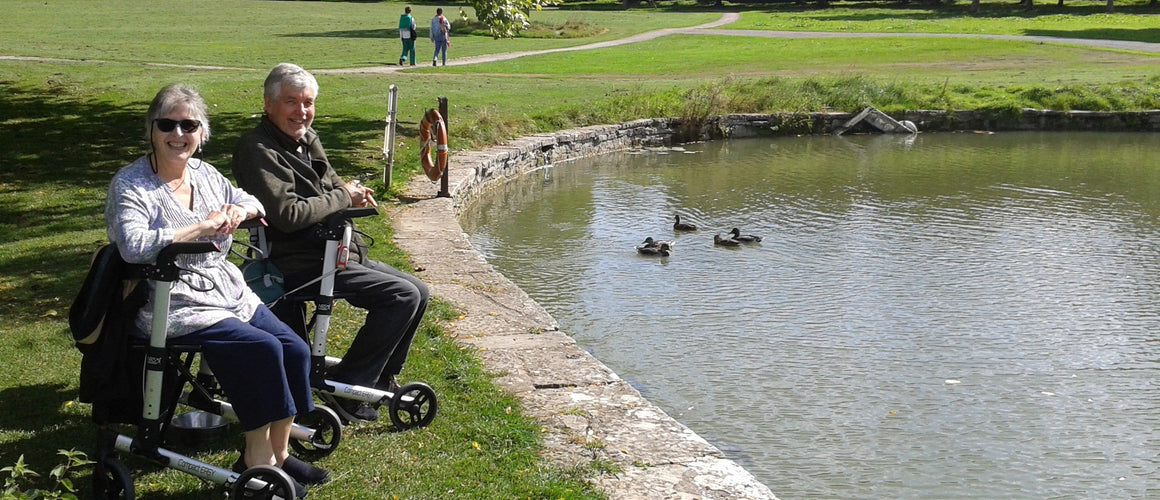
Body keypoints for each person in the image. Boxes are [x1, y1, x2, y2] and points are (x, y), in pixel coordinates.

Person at [105, 83, 328, 497]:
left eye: (189, 125)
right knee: (262, 348)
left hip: (226, 290)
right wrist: (201, 227)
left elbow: (255, 202)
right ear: (151, 129)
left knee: (294, 348)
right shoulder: (131, 184)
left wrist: (238, 210)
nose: (178, 134)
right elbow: (133, 246)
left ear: (201, 133)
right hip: (172, 298)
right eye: (167, 125)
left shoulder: (205, 174)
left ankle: (278, 455)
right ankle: (256, 461)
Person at [231, 63, 430, 423]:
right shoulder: (257, 149)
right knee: (402, 296)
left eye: (308, 103)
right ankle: (350, 387)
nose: (301, 111)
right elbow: (287, 214)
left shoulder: (306, 138)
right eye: (291, 102)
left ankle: (377, 376)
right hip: (294, 262)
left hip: (332, 253)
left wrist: (351, 194)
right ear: (269, 104)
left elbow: (334, 185)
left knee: (419, 290)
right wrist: (342, 197)